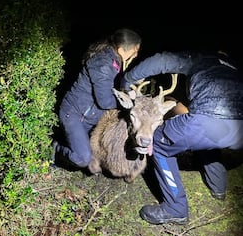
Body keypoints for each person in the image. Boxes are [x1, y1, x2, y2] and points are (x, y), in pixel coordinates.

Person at [120, 50, 243, 225]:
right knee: (206, 140)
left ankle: (175, 208)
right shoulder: (234, 67)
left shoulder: (200, 58)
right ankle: (218, 187)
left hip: (208, 121)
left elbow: (161, 60)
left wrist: (127, 80)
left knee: (159, 142)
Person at [53, 28, 142, 170]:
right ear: (121, 49)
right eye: (134, 50)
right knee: (83, 158)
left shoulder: (115, 61)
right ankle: (55, 150)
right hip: (74, 114)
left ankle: (62, 151)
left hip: (88, 116)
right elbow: (105, 101)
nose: (136, 55)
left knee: (84, 150)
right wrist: (127, 101)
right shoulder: (103, 64)